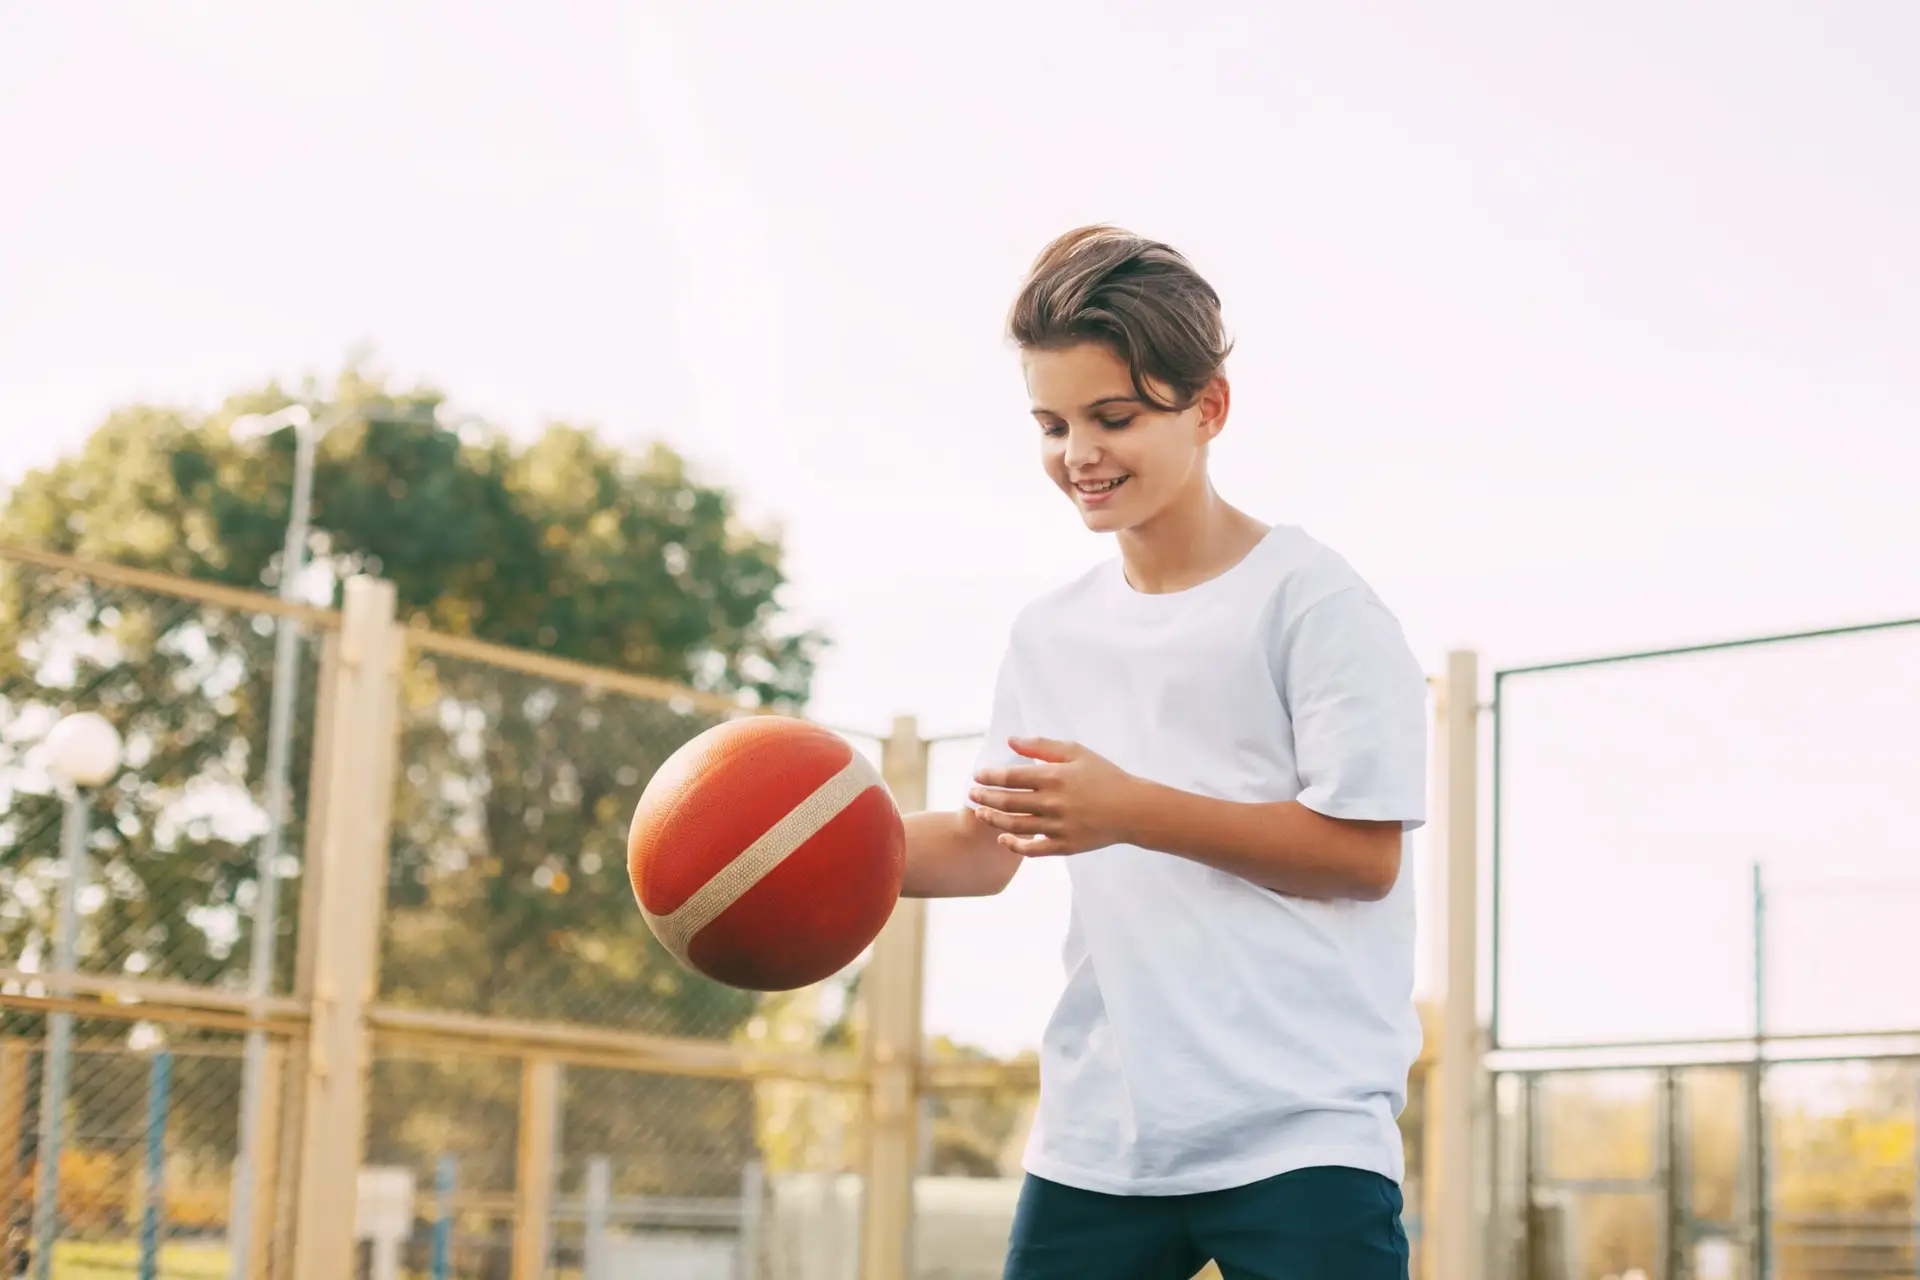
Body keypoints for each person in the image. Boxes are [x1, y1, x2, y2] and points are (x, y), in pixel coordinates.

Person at [900, 226, 1427, 1279]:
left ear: (1209, 408)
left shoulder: (1312, 601)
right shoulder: (1049, 634)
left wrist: (1131, 808)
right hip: (1103, 1139)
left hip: (1300, 1132)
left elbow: (1364, 855)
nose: (1078, 453)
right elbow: (985, 844)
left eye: (1114, 416)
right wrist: (800, 844)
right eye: (1051, 423)